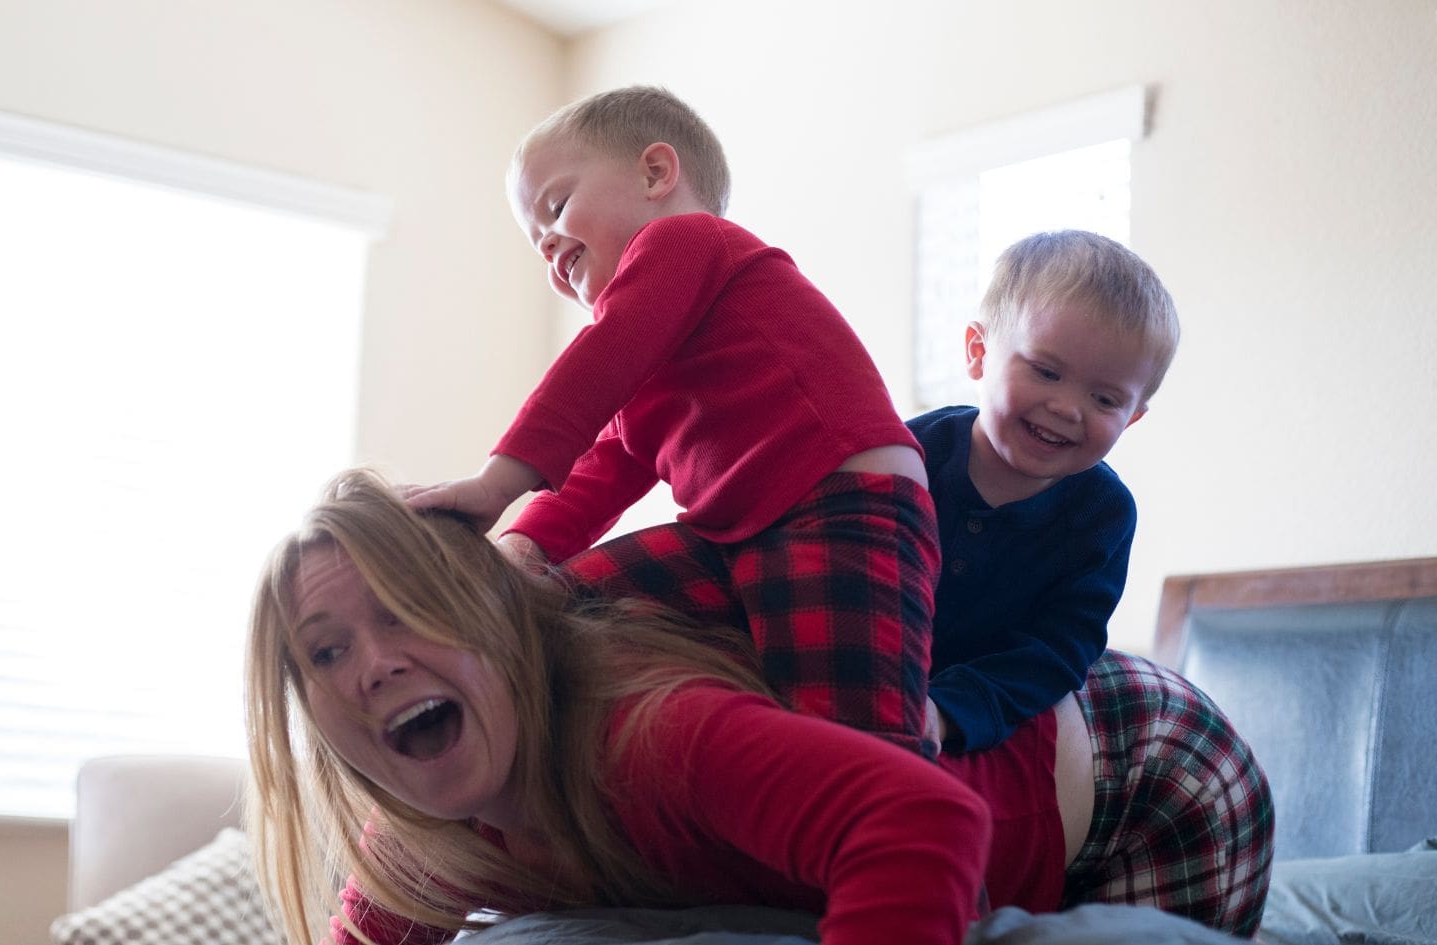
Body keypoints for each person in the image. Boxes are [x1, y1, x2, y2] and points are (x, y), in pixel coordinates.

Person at [246, 471, 1272, 945]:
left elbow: (919, 818)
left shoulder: (646, 735)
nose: (371, 667)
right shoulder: (421, 833)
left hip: (1142, 765)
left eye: (407, 616)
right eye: (325, 653)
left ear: (489, 613)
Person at [403, 85, 937, 753]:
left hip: (840, 508)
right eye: (533, 240)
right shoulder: (653, 339)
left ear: (656, 173)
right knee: (558, 611)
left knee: (856, 749)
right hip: (730, 534)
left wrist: (495, 483)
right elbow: (608, 458)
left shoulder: (689, 242)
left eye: (556, 206)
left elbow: (598, 362)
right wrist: (522, 550)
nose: (546, 246)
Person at [909, 230, 1181, 753]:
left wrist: (948, 711)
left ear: (1132, 419)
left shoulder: (1102, 515)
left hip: (994, 712)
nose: (1066, 408)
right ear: (978, 352)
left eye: (1104, 399)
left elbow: (1058, 650)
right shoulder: (909, 455)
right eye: (1046, 371)